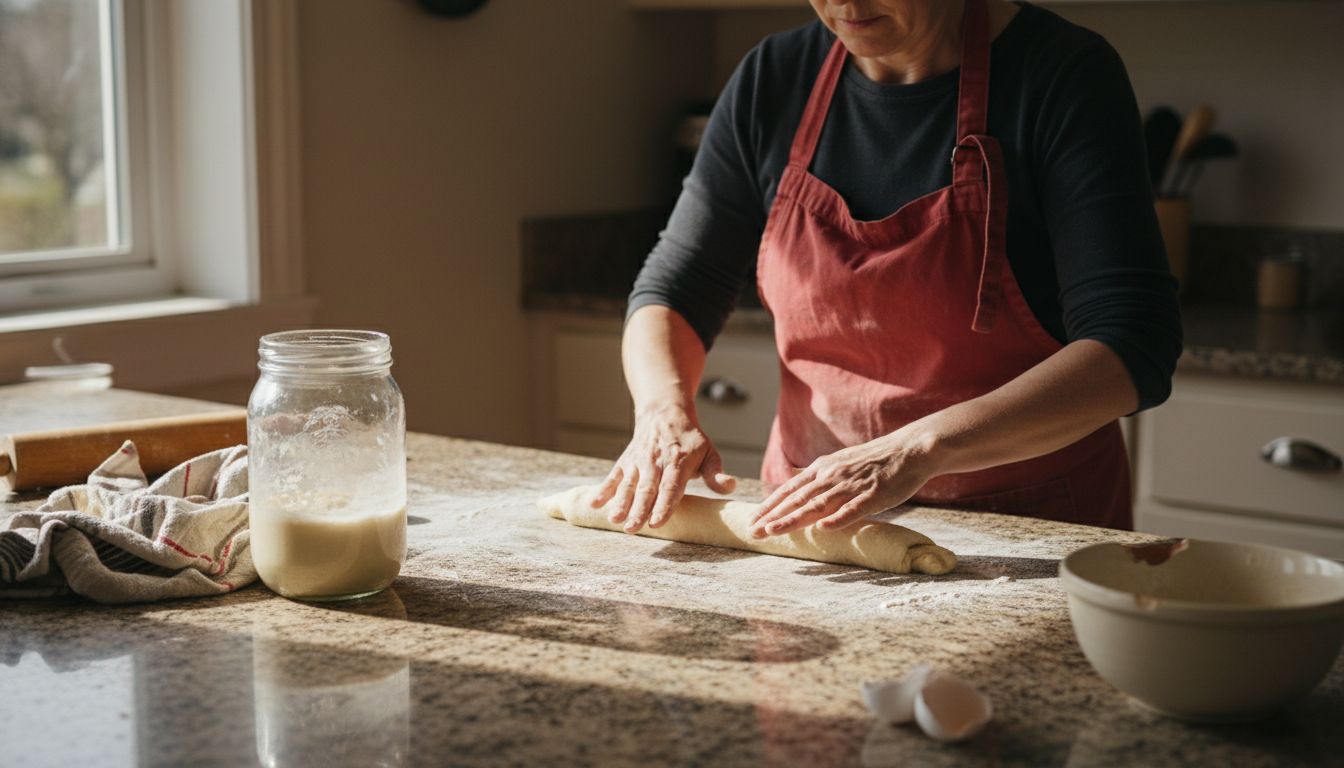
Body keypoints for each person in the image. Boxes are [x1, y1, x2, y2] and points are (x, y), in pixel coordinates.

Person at [594, 0, 1182, 538]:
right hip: (812, 518)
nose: (847, 4)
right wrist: (661, 410)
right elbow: (677, 285)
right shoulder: (773, 77)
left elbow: (1132, 344)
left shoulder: (1061, 74)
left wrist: (916, 451)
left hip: (1033, 524)